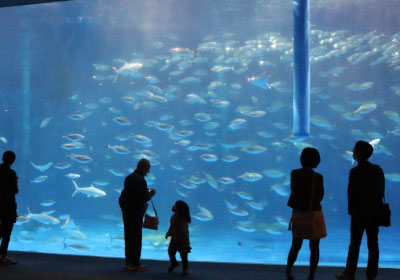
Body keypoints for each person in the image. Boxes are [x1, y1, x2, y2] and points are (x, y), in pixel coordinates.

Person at [336, 141, 385, 280]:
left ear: (357, 153)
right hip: (374, 212)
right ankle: (371, 275)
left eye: (354, 149)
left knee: (354, 244)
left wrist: (351, 210)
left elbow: (351, 193)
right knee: (373, 245)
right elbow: (381, 191)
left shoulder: (355, 171)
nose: (352, 151)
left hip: (358, 213)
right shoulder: (377, 169)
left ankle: (349, 273)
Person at [286, 147, 327, 280]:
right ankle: (311, 275)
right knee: (314, 247)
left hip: (298, 213)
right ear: (317, 161)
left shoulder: (294, 173)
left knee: (296, 244)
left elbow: (293, 190)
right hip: (314, 214)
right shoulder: (318, 177)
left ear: (301, 160)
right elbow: (320, 196)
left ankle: (288, 270)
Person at [119, 158, 156, 272]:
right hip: (135, 214)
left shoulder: (129, 177)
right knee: (136, 238)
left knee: (129, 237)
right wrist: (151, 194)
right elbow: (143, 197)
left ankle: (128, 262)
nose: (148, 171)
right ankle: (135, 263)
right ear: (143, 168)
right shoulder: (140, 180)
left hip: (127, 213)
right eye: (147, 169)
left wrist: (125, 209)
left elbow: (124, 195)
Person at [0, 151, 19, 265]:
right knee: (6, 232)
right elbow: (15, 190)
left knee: (1, 228)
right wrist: (15, 181)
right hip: (8, 206)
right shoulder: (11, 173)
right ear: (13, 161)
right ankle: (2, 257)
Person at [165, 200, 191, 276]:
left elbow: (184, 230)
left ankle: (185, 269)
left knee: (184, 256)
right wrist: (168, 233)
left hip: (182, 241)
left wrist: (185, 239)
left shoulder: (182, 219)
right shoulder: (173, 217)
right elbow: (171, 226)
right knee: (170, 252)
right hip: (174, 239)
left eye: (175, 205)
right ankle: (174, 263)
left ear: (179, 208)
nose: (173, 206)